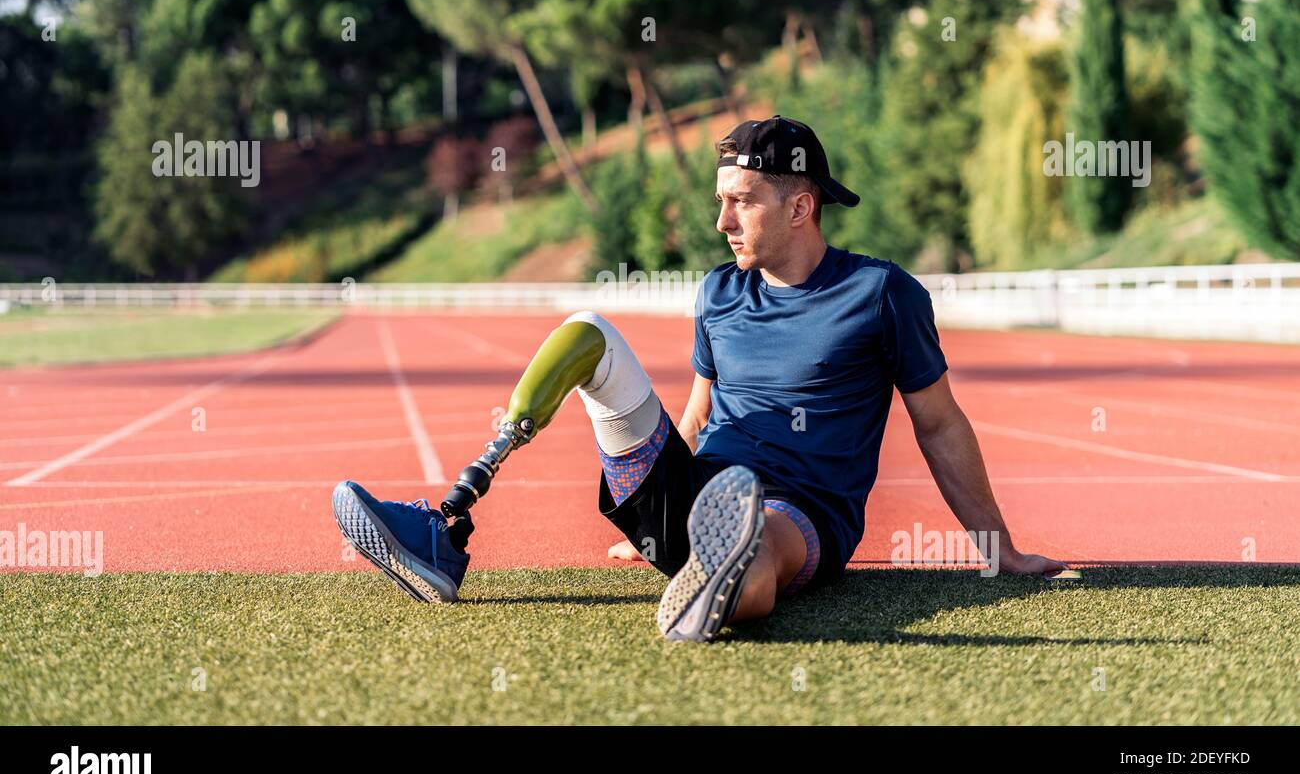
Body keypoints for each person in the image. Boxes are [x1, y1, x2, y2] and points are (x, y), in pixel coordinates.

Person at [332, 115, 1068, 642]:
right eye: (721, 200)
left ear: (801, 206)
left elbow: (938, 422)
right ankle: (447, 529)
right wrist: (648, 515)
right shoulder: (719, 291)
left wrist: (994, 545)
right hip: (692, 487)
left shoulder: (880, 294)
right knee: (586, 333)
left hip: (801, 511)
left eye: (740, 200)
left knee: (760, 544)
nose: (721, 220)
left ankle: (721, 575)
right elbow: (696, 413)